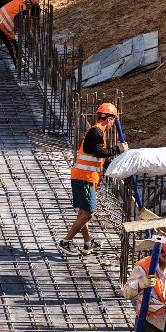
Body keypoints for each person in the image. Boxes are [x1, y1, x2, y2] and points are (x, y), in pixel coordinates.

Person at [61, 103, 128, 255]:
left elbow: (98, 158)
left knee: (83, 212)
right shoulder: (96, 132)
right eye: (113, 120)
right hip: (84, 178)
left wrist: (115, 166)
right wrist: (118, 149)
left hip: (83, 177)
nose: (113, 124)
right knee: (89, 212)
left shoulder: (96, 132)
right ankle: (66, 241)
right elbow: (99, 153)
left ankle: (87, 242)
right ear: (110, 119)